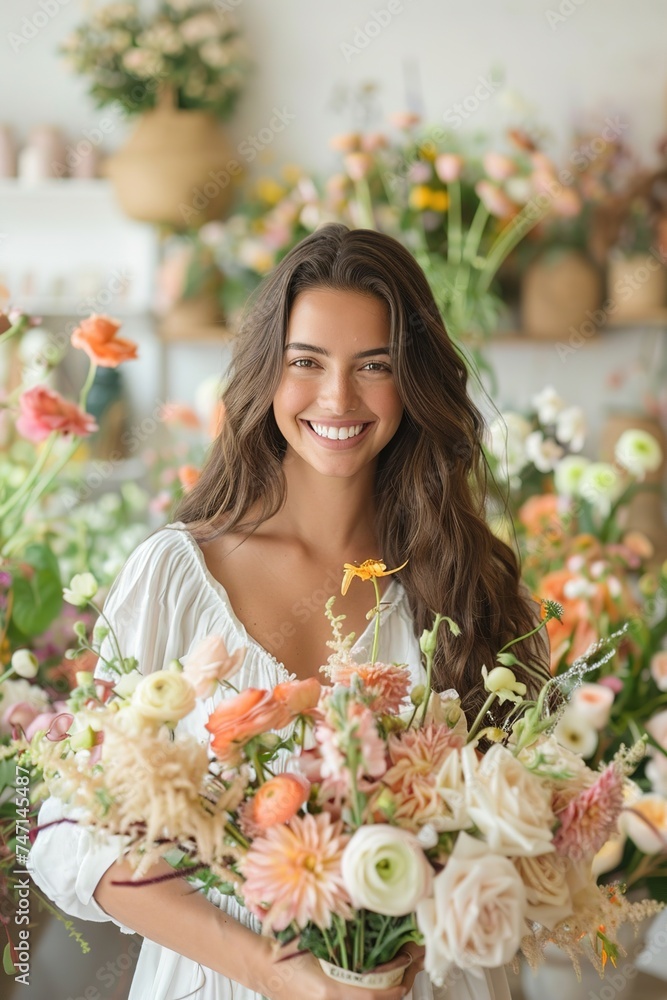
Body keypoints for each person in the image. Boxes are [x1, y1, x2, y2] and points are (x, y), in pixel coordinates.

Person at [29, 223, 550, 1000]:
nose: (337, 398)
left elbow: (520, 844)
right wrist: (288, 977)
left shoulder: (472, 590)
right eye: (306, 363)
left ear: (414, 382)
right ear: (267, 372)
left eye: (373, 366)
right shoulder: (175, 575)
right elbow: (76, 836)